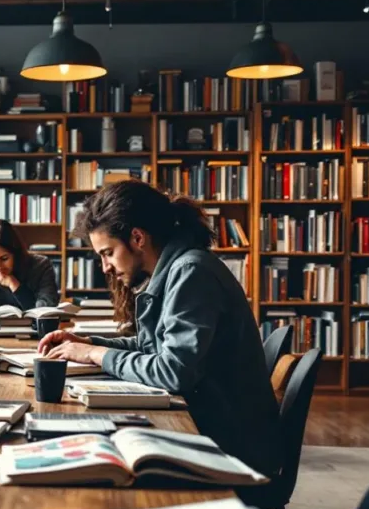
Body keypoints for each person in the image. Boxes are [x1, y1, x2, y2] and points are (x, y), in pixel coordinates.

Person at [37, 180, 282, 477]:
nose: (105, 267)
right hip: (215, 425)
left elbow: (173, 372)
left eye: (107, 253)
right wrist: (86, 343)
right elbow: (152, 347)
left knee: (89, 459)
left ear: (138, 238)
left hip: (232, 446)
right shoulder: (176, 270)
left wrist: (94, 354)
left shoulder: (191, 272)